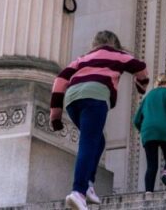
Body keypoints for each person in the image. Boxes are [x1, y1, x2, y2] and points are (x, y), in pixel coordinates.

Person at [51, 30, 150, 210]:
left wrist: (56, 115)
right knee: (89, 141)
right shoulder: (117, 55)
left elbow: (60, 80)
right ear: (114, 44)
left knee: (99, 140)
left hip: (72, 100)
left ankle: (88, 183)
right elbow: (140, 67)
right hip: (95, 97)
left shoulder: (82, 58)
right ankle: (78, 191)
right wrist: (141, 85)